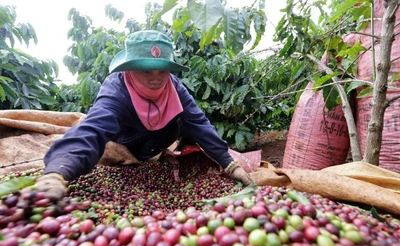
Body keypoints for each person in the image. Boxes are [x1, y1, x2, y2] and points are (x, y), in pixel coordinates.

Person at [36, 30, 254, 201]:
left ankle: (164, 157)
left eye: (162, 71)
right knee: (99, 140)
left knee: (188, 122)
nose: (156, 79)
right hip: (126, 140)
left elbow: (198, 123)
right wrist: (59, 170)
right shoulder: (116, 90)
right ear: (130, 70)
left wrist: (228, 163)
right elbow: (93, 129)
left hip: (160, 139)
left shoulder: (174, 88)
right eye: (146, 70)